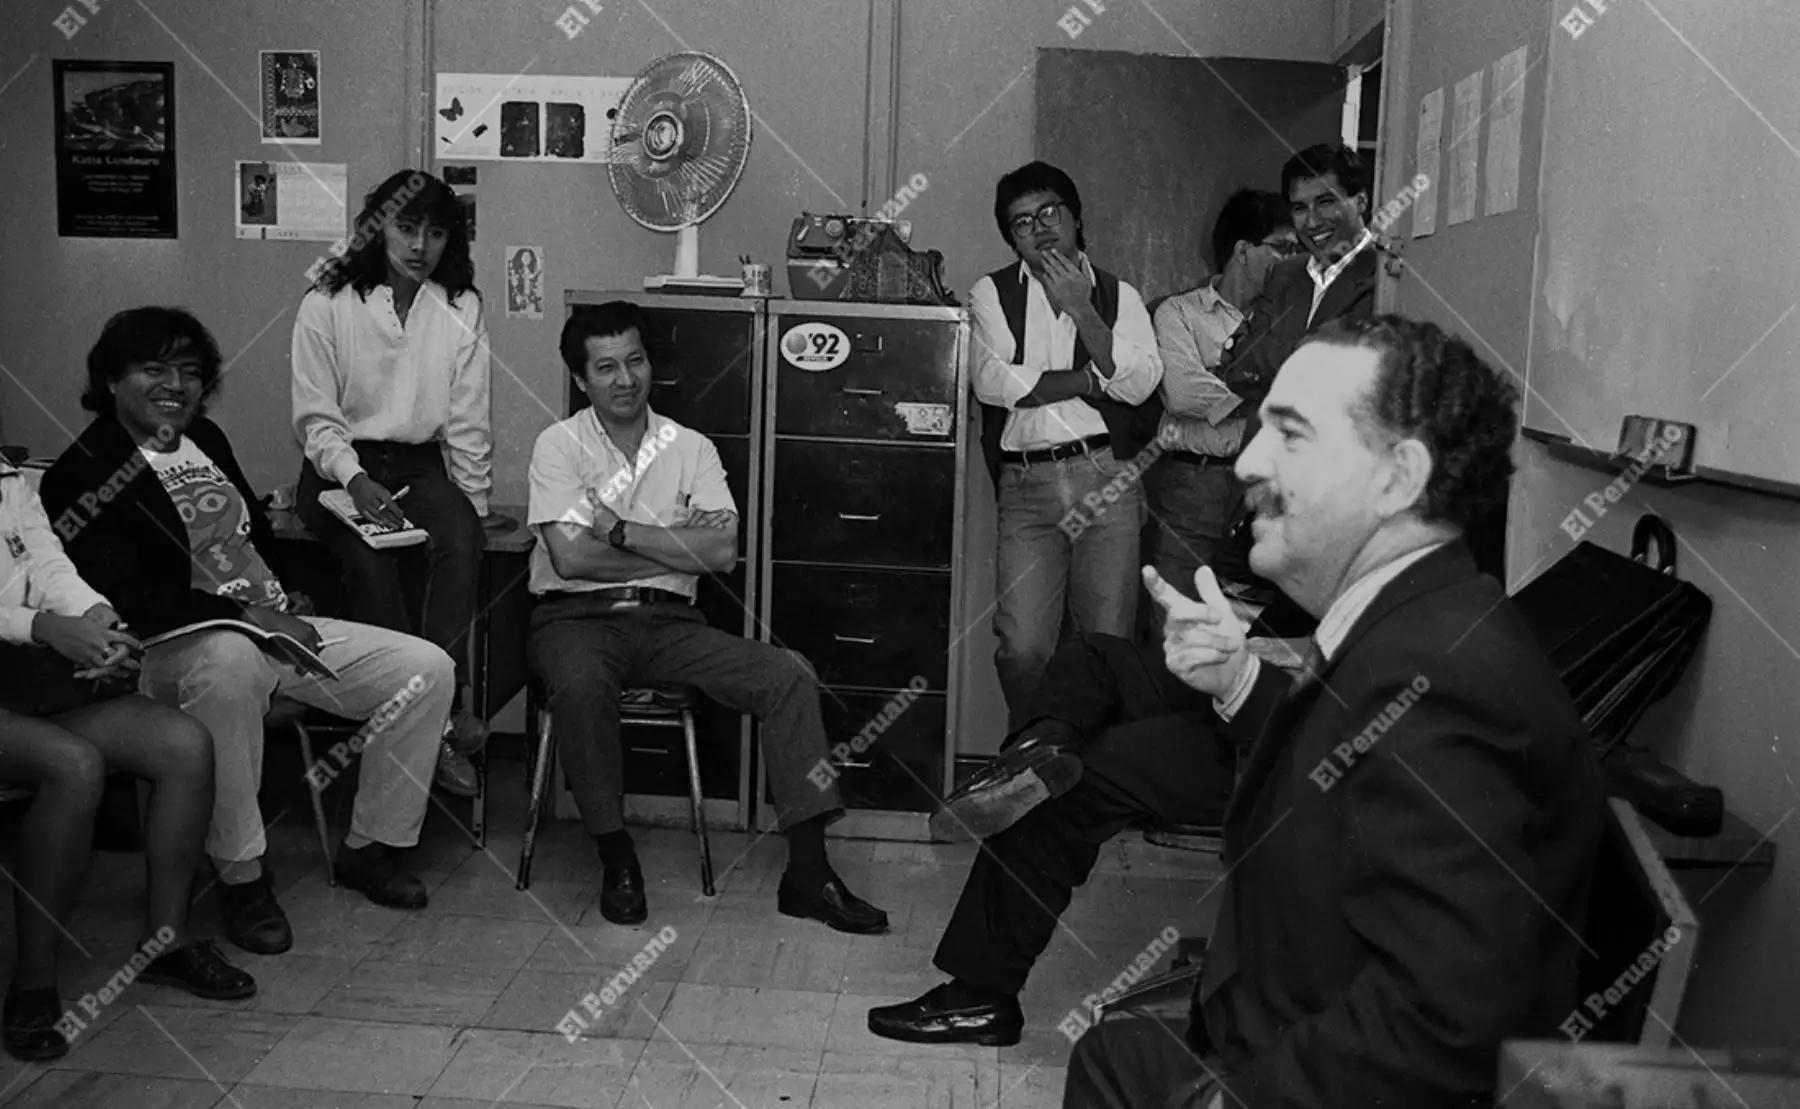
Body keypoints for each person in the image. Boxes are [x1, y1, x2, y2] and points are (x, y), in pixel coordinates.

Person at [1062, 315, 1605, 1108]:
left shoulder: (1442, 676)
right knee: (1115, 1054)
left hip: (1306, 1069)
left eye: (1290, 434)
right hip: (1286, 1020)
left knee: (1118, 1063)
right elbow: (1351, 759)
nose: (1248, 459)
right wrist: (1239, 680)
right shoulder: (1420, 619)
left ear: (1397, 478)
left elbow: (1441, 1021)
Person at [43, 307, 456, 959]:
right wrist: (247, 616)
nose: (175, 384)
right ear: (113, 379)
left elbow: (251, 538)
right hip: (173, 647)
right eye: (154, 369)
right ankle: (242, 878)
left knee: (425, 667)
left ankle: (370, 849)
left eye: (189, 371)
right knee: (230, 665)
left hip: (272, 625)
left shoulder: (203, 436)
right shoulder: (83, 471)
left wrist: (284, 590)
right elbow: (132, 598)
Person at [526, 301, 887, 933]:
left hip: (671, 624)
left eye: (635, 360)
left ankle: (809, 872)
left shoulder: (690, 447)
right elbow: (569, 557)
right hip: (575, 620)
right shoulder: (559, 446)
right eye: (605, 367)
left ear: (651, 365)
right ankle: (617, 858)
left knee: (785, 674)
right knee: (581, 689)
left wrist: (617, 529)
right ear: (581, 380)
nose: (624, 379)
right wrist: (670, 543)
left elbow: (721, 552)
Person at [0, 457, 254, 1062]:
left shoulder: (6, 477)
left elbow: (46, 558)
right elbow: (33, 615)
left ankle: (165, 943)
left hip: (23, 676)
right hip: (24, 657)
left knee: (184, 746)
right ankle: (33, 980)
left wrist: (95, 618)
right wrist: (43, 628)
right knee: (73, 765)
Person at [290, 169, 492, 798]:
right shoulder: (327, 298)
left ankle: (439, 710)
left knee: (461, 541)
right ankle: (421, 731)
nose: (419, 245)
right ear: (378, 227)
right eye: (406, 227)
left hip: (417, 467)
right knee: (371, 566)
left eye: (434, 233)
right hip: (337, 470)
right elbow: (316, 417)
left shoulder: (460, 305)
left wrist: (472, 505)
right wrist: (352, 480)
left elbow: (467, 418)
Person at [971, 161, 1164, 731]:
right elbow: (994, 383)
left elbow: (1140, 383)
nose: (1039, 228)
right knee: (1023, 646)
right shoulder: (992, 291)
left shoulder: (1116, 294)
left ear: (1077, 217)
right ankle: (1036, 758)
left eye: (1050, 212)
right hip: (1027, 486)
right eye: (1022, 222)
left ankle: (1094, 774)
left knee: (1107, 644)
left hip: (1106, 478)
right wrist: (1088, 379)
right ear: (1012, 236)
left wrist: (1081, 308)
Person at [1148, 189, 1298, 598]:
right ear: (1243, 249)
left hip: (1263, 489)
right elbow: (1181, 394)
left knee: (1250, 622)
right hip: (1194, 484)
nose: (1292, 260)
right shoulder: (1178, 312)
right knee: (1177, 615)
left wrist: (1222, 384)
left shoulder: (1288, 322)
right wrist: (1261, 394)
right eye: (1282, 247)